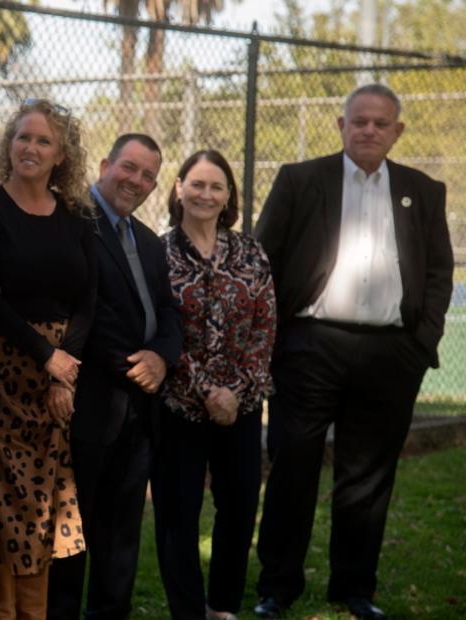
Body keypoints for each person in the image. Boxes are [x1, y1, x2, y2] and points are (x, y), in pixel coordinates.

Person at [253, 84, 454, 620]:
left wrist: (422, 342)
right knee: (293, 466)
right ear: (340, 126)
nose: (368, 130)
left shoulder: (424, 190)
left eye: (380, 123)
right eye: (358, 121)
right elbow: (263, 261)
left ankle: (354, 587)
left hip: (392, 354)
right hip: (310, 348)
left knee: (368, 477)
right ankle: (276, 589)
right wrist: (276, 343)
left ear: (397, 131)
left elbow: (438, 272)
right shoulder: (300, 180)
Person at [47, 134, 183, 619]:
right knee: (73, 529)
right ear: (105, 164)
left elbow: (168, 312)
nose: (138, 181)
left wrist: (162, 359)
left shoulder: (147, 240)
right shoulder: (73, 223)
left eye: (149, 174)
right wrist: (135, 364)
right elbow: (83, 311)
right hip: (90, 402)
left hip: (139, 410)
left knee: (123, 533)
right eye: (129, 168)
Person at [0, 99, 95, 619]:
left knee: (45, 504)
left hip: (59, 383)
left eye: (43, 140)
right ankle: (1, 613)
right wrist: (45, 355)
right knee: (3, 503)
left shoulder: (78, 215)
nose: (31, 147)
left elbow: (90, 296)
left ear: (61, 154)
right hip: (1, 374)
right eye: (23, 137)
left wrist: (64, 371)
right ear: (10, 144)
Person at [153, 150, 276, 620]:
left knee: (240, 507)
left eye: (216, 186)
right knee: (177, 515)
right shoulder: (158, 253)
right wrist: (205, 389)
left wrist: (236, 391)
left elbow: (266, 327)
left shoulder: (249, 251)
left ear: (229, 197)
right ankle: (188, 610)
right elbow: (161, 331)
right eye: (198, 184)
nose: (206, 194)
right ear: (179, 188)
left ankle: (222, 606)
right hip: (180, 405)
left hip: (240, 408)